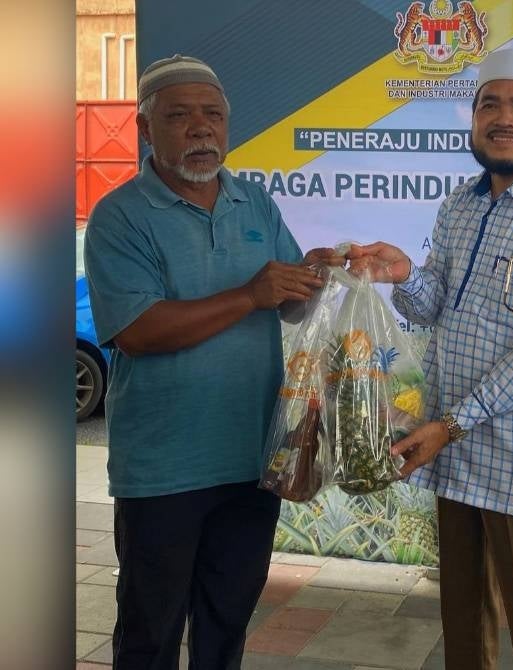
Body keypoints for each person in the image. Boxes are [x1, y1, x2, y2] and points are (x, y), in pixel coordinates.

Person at [347, 49, 513, 669]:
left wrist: (451, 424)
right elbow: (437, 302)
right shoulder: (460, 205)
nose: (503, 119)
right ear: (472, 117)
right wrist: (402, 276)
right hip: (452, 446)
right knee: (462, 614)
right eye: (489, 103)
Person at [84, 55, 342, 669]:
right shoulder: (119, 218)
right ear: (146, 129)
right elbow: (138, 331)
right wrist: (250, 294)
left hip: (252, 459)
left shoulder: (254, 203)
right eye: (179, 116)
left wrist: (322, 277)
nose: (201, 129)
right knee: (151, 628)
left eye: (213, 116)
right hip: (164, 469)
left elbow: (289, 307)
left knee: (226, 625)